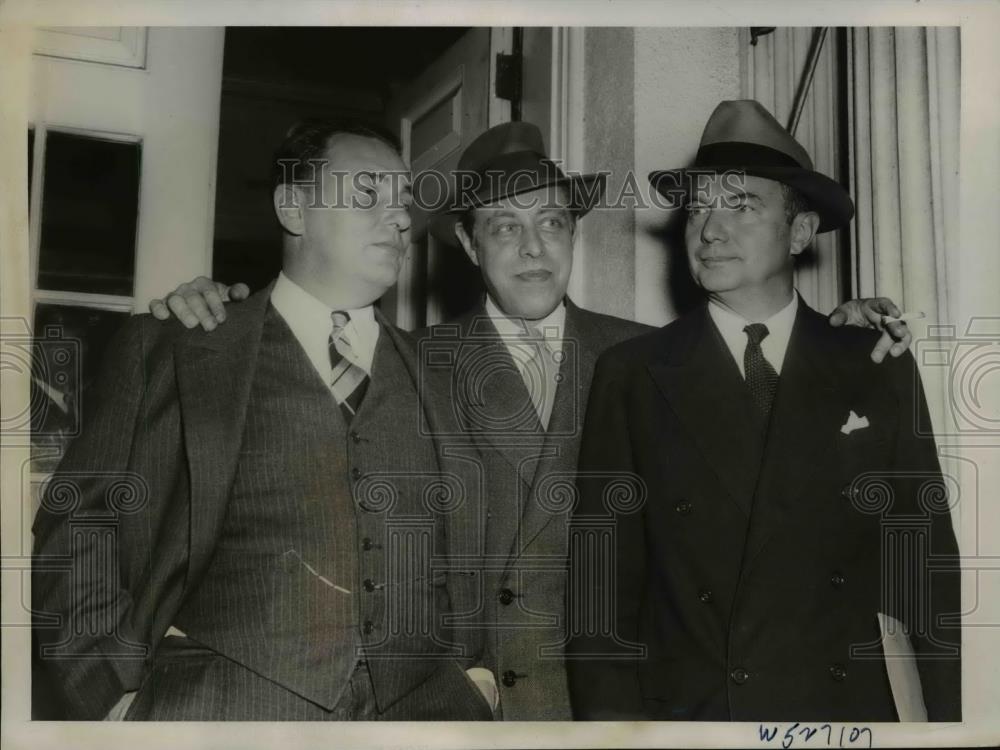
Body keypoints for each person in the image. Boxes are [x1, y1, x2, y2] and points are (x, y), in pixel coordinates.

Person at [150, 121, 913, 720]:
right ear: (466, 243)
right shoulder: (404, 361)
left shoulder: (651, 358)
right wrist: (209, 306)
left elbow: (762, 438)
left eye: (551, 222)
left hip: (612, 698)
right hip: (464, 701)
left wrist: (843, 331)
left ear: (575, 233)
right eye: (504, 226)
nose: (533, 248)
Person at [31, 119, 494, 721]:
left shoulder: (441, 376)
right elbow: (77, 522)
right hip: (225, 708)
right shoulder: (176, 347)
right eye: (367, 195)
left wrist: (476, 678)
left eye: (403, 202)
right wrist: (107, 693)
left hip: (424, 714)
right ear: (292, 208)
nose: (402, 219)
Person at [566, 100, 961, 721]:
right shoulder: (633, 374)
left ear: (800, 232)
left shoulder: (873, 362)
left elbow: (923, 567)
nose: (710, 229)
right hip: (696, 720)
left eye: (741, 205)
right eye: (698, 208)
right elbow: (600, 601)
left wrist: (944, 727)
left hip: (844, 714)